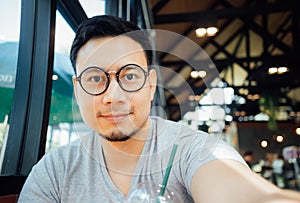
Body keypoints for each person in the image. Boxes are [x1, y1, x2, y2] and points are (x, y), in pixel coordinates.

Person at [18, 15, 300, 203]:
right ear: (78, 89)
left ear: (151, 85)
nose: (113, 97)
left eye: (129, 76)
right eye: (95, 79)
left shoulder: (191, 149)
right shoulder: (54, 173)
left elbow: (242, 192)